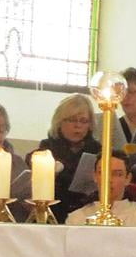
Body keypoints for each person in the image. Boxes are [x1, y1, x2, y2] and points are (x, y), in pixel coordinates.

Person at [33, 94, 103, 222]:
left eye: (83, 121)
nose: (78, 125)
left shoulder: (97, 150)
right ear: (59, 122)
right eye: (72, 120)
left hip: (87, 213)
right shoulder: (47, 149)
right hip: (53, 213)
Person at [66, 150, 136, 226]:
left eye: (117, 174)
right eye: (102, 173)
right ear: (95, 176)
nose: (109, 180)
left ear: (128, 178)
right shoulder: (77, 218)